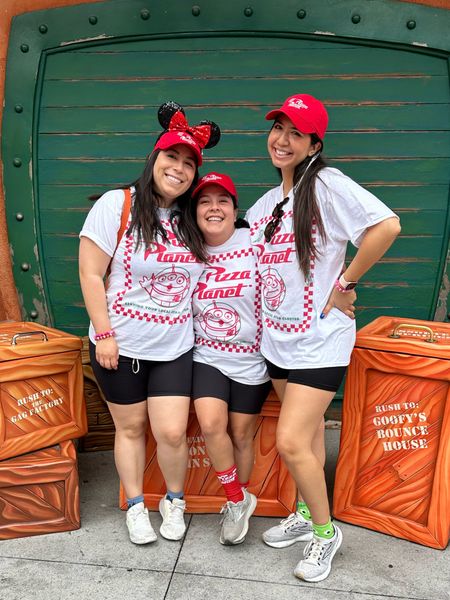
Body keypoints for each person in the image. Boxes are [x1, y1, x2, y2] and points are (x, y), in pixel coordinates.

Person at [245, 94, 401, 582]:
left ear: (315, 142)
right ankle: (308, 515)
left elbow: (386, 226)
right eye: (278, 129)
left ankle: (326, 533)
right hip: (277, 341)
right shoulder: (270, 202)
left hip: (319, 339)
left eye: (296, 132)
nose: (283, 140)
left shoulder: (328, 184)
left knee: (291, 441)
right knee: (308, 439)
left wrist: (345, 284)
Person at [79, 101, 220, 545]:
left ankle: (173, 501)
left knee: (172, 431)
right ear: (154, 158)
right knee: (131, 428)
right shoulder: (118, 204)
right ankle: (137, 505)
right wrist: (103, 333)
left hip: (174, 347)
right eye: (171, 157)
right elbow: (89, 272)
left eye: (188, 163)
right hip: (118, 344)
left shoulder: (192, 218)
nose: (178, 169)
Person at [189, 172, 271, 545]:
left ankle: (246, 492)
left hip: (253, 358)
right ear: (195, 211)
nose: (214, 208)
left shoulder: (253, 241)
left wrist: (341, 289)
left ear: (235, 209)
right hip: (207, 354)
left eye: (222, 200)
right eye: (205, 201)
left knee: (241, 434)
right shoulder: (188, 248)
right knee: (210, 424)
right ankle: (235, 501)